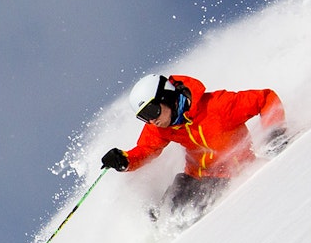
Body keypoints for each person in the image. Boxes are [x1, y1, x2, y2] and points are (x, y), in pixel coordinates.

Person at [101, 73, 288, 223]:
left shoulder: (217, 106)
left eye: (152, 111)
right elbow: (145, 149)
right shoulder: (161, 127)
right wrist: (124, 160)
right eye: (144, 117)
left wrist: (274, 132)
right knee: (167, 212)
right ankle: (156, 230)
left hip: (233, 176)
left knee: (184, 213)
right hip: (194, 179)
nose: (151, 120)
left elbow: (265, 99)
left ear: (166, 97)